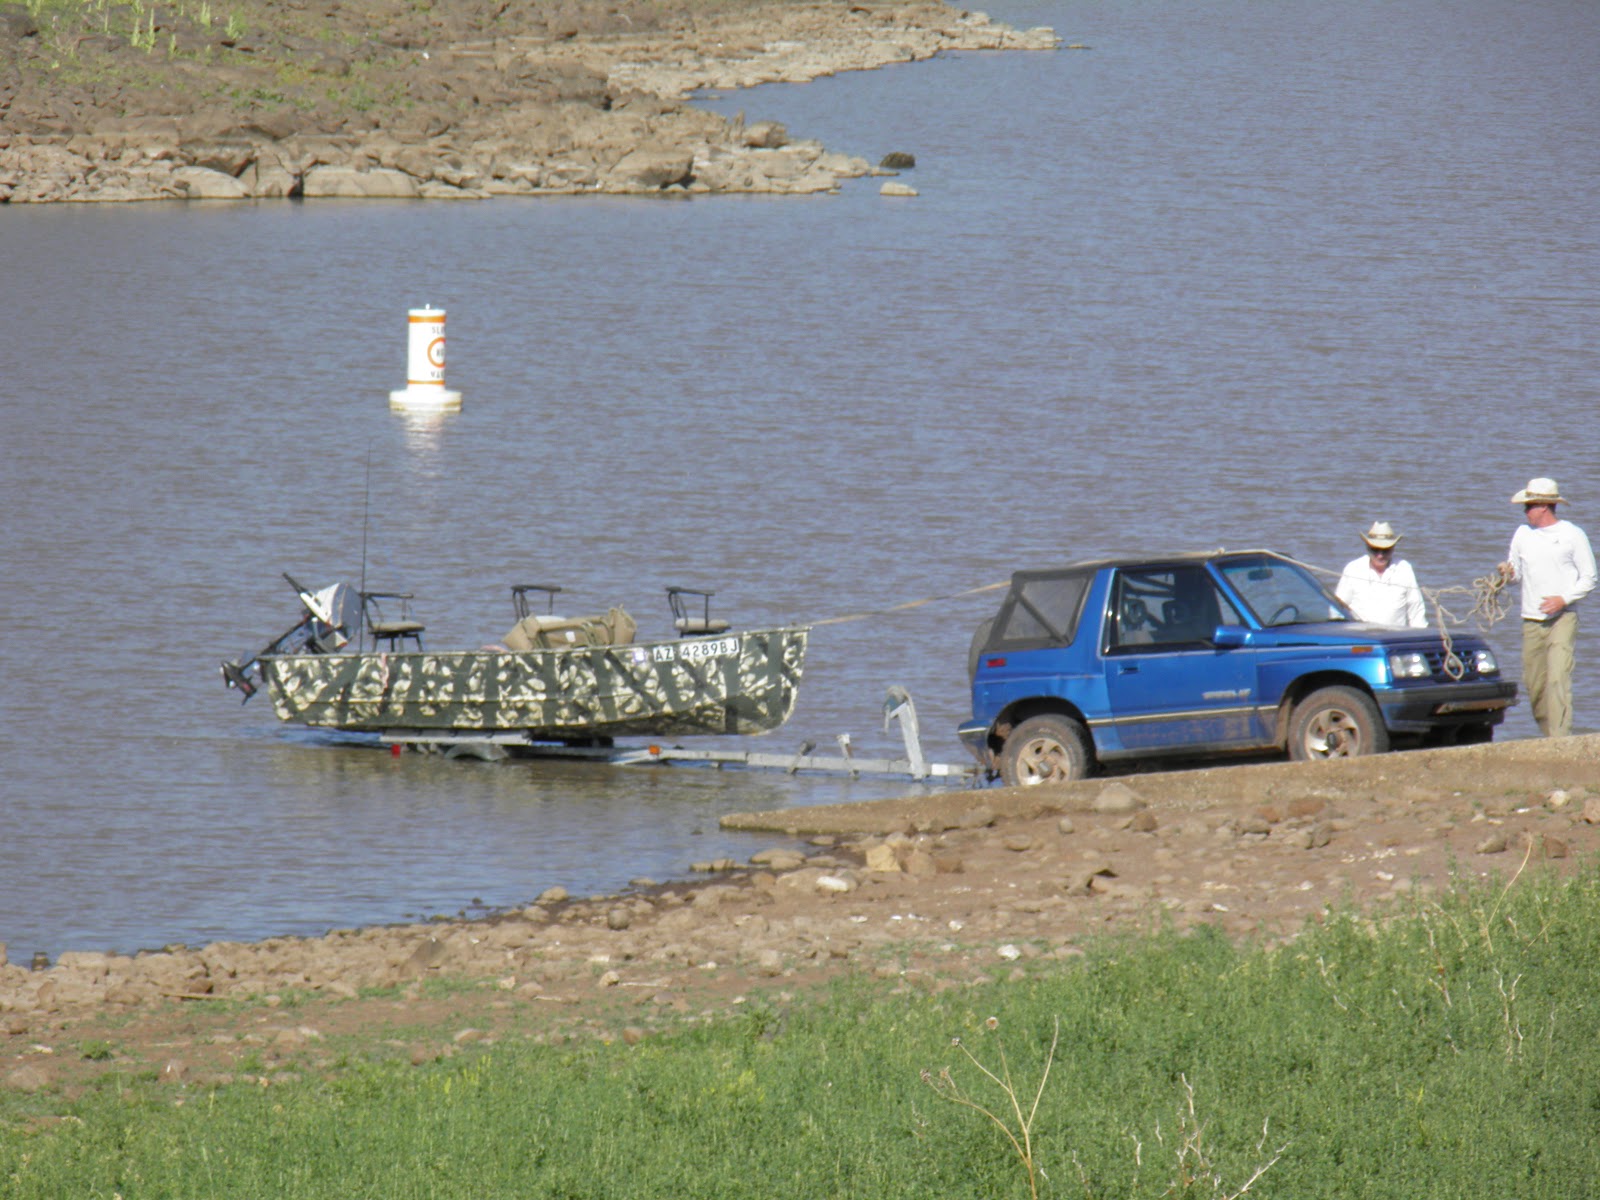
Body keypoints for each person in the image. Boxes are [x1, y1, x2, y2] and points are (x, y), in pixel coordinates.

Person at [1498, 477, 1597, 737]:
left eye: (1529, 505)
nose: (1525, 510)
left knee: (1557, 678)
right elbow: (1515, 573)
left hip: (1562, 618)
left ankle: (1560, 740)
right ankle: (1549, 736)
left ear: (1544, 506)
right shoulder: (1522, 534)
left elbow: (1590, 577)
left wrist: (1564, 599)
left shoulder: (1572, 534)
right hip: (1531, 620)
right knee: (1535, 686)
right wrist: (1506, 573)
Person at [1336, 521, 1427, 628]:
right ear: (1368, 547)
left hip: (1394, 639)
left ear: (1393, 548)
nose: (1380, 555)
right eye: (1375, 550)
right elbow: (1339, 608)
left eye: (1385, 550)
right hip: (1361, 639)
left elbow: (1416, 609)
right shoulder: (1353, 568)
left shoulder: (1404, 569)